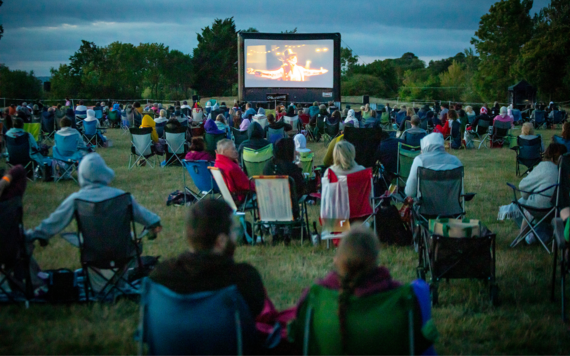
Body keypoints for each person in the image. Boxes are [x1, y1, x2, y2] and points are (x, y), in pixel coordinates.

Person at [288, 227, 434, 355]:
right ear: (375, 259)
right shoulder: (404, 299)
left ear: (338, 260)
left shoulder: (316, 299)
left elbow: (300, 344)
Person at [150, 199, 265, 320]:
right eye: (233, 232)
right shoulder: (244, 279)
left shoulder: (160, 277)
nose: (235, 237)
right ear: (221, 241)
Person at [516, 143, 567, 244]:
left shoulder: (544, 167)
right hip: (559, 211)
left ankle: (521, 237)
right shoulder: (566, 171)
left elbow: (523, 187)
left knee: (523, 202)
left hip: (541, 209)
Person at [405, 133, 463, 198]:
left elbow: (410, 192)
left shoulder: (420, 161)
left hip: (426, 206)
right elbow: (460, 192)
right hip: (451, 207)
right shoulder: (456, 162)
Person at [214, 139, 255, 203]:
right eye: (233, 149)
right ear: (223, 151)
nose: (236, 151)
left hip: (228, 198)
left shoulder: (217, 164)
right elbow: (247, 185)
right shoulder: (232, 167)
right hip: (241, 197)